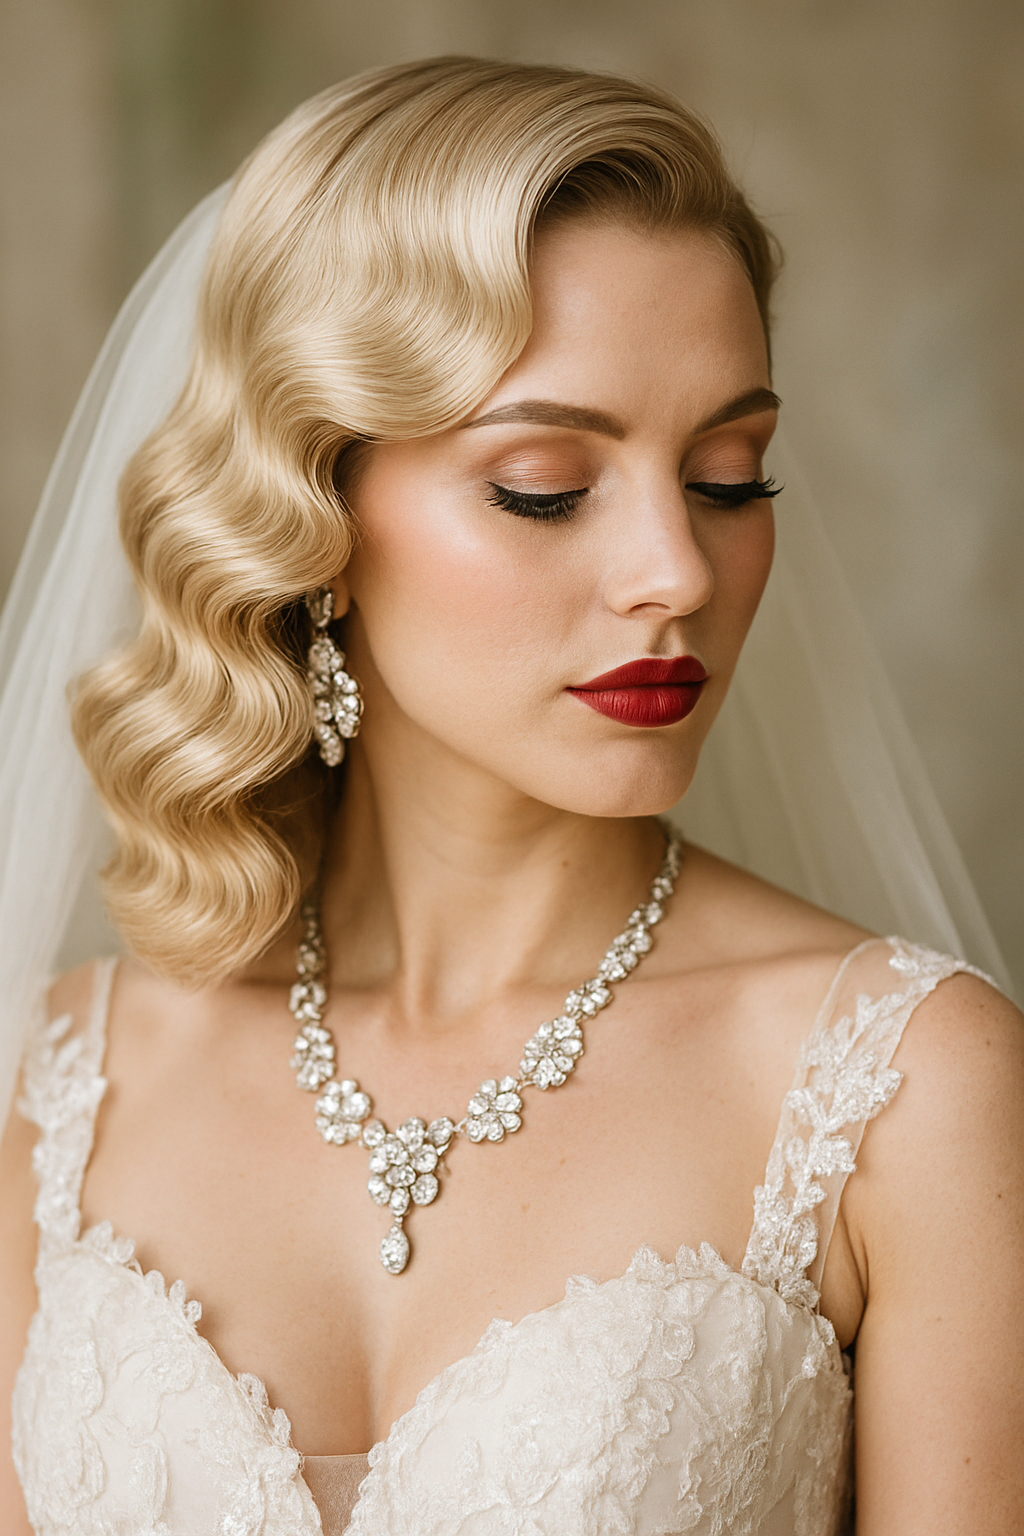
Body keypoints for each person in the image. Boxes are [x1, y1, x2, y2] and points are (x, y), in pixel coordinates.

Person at [1, 56, 1021, 1536]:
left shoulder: (913, 1087)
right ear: (317, 511)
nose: (677, 570)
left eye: (732, 476)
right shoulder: (49, 1091)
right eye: (546, 484)